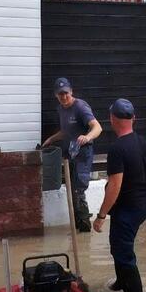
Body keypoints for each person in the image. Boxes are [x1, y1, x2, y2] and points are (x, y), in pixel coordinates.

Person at [92, 99, 146, 292]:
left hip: (129, 208)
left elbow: (115, 186)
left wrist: (100, 216)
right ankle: (121, 281)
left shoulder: (117, 148)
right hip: (141, 204)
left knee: (124, 253)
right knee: (116, 245)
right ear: (133, 118)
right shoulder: (141, 141)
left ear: (112, 119)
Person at [43, 78, 102, 232]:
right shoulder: (61, 109)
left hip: (83, 153)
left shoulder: (81, 107)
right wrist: (51, 139)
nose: (64, 97)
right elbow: (66, 131)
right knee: (71, 187)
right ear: (56, 95)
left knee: (79, 190)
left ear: (71, 91)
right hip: (71, 152)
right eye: (60, 94)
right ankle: (77, 227)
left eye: (66, 94)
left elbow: (97, 127)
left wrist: (87, 137)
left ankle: (84, 229)